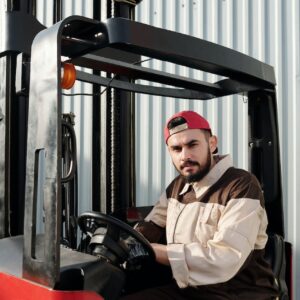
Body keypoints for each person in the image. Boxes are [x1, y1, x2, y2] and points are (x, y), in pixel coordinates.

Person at [121, 110, 279, 299]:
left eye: (192, 145)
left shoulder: (241, 186)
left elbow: (224, 258)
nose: (185, 156)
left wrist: (156, 251)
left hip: (237, 292)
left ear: (212, 144)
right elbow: (153, 224)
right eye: (177, 149)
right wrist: (123, 244)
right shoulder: (177, 186)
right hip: (188, 289)